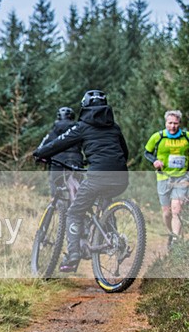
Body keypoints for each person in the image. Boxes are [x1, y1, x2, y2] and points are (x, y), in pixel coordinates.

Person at [33, 90, 129, 272]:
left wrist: (39, 153)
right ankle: (111, 234)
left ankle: (73, 256)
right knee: (105, 200)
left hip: (98, 177)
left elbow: (59, 143)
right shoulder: (115, 128)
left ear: (84, 108)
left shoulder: (82, 127)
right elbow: (125, 153)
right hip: (121, 178)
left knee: (73, 213)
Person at [144, 110, 189, 246]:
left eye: (175, 123)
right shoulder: (158, 137)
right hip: (163, 177)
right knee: (167, 213)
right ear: (165, 123)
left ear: (180, 123)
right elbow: (147, 152)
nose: (173, 126)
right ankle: (171, 233)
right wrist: (155, 161)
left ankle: (175, 241)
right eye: (170, 123)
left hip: (182, 177)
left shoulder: (186, 137)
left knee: (177, 209)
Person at [37, 106, 83, 199]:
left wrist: (40, 156)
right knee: (77, 185)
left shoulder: (53, 132)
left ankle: (56, 202)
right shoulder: (78, 130)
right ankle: (79, 202)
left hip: (57, 162)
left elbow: (41, 148)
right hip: (75, 160)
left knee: (55, 186)